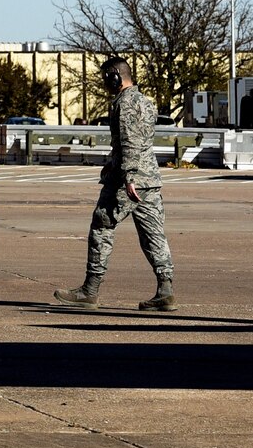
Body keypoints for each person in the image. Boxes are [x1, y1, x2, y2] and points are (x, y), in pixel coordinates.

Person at [55, 56, 176, 311]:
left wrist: (128, 177)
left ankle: (90, 290)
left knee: (102, 226)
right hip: (150, 179)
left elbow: (129, 141)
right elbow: (141, 142)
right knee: (153, 234)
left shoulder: (125, 103)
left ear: (115, 77)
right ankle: (165, 289)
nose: (104, 85)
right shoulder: (146, 102)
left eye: (105, 79)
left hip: (127, 181)